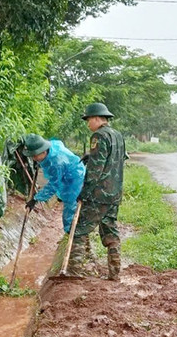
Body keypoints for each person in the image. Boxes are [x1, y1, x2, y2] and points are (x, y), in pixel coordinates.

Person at [66, 102, 126, 280]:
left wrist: (84, 192)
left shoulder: (98, 136)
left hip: (99, 195)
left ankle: (73, 271)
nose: (87, 124)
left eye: (88, 120)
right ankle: (115, 274)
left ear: (97, 119)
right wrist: (90, 156)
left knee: (79, 230)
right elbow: (119, 159)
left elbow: (95, 170)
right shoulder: (118, 135)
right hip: (115, 194)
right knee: (111, 232)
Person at [21, 134, 86, 234]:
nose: (34, 158)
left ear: (43, 151)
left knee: (70, 204)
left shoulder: (56, 163)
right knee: (65, 197)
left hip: (74, 177)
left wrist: (35, 199)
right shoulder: (50, 148)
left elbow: (53, 185)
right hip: (66, 172)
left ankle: (73, 233)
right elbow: (57, 142)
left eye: (35, 156)